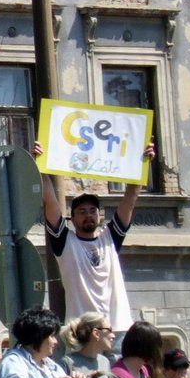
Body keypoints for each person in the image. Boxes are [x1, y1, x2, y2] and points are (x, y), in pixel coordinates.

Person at [35, 141, 156, 332]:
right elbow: (50, 201)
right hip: (81, 332)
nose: (88, 215)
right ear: (72, 218)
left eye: (93, 211)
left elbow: (130, 199)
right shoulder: (66, 243)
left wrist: (143, 163)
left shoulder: (110, 239)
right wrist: (40, 167)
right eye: (82, 212)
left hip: (116, 329)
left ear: (99, 216)